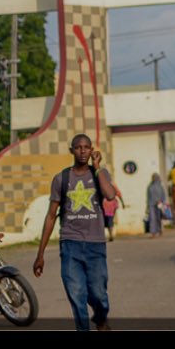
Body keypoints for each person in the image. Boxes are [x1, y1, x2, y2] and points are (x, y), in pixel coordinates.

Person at [33, 134, 117, 332]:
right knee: (76, 294)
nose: (82, 151)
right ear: (71, 150)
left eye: (86, 147)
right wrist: (40, 254)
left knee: (99, 295)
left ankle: (101, 320)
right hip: (70, 244)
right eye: (78, 147)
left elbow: (110, 195)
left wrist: (97, 168)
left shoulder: (99, 174)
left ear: (91, 150)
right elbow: (51, 216)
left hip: (96, 244)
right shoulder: (61, 178)